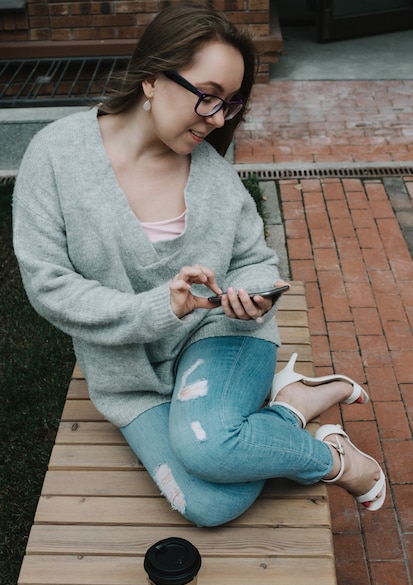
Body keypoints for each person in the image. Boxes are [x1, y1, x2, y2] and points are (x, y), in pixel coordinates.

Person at [13, 2, 385, 527]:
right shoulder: (55, 156)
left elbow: (256, 261)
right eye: (206, 96)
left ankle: (342, 464)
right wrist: (159, 307)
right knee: (212, 503)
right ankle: (290, 408)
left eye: (229, 104)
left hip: (220, 339)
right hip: (128, 375)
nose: (215, 119)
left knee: (208, 450)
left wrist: (252, 297)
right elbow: (48, 286)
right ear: (150, 78)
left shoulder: (215, 180)